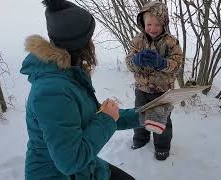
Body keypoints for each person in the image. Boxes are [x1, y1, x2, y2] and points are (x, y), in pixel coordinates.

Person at [20, 0, 139, 179]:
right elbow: (70, 161)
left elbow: (94, 115)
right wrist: (107, 119)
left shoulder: (69, 73)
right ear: (80, 43)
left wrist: (144, 115)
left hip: (85, 169)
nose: (92, 43)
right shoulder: (52, 92)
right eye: (90, 37)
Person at [125, 1, 184, 161]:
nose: (152, 28)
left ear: (164, 23)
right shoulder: (137, 40)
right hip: (142, 89)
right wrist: (135, 61)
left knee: (162, 121)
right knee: (140, 116)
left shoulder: (171, 42)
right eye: (149, 24)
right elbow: (129, 62)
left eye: (157, 24)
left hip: (163, 91)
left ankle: (162, 147)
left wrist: (162, 63)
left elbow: (177, 64)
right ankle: (140, 139)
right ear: (143, 23)